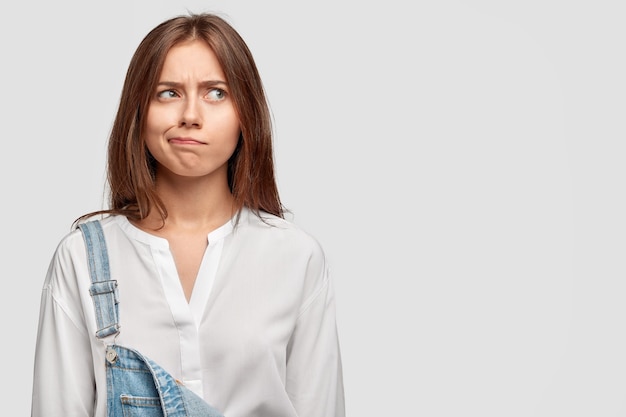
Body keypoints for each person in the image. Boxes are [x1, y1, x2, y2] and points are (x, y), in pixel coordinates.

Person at [31, 12, 345, 417]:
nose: (191, 115)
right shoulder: (81, 259)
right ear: (138, 111)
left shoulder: (296, 258)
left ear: (245, 114)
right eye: (168, 93)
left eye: (216, 93)